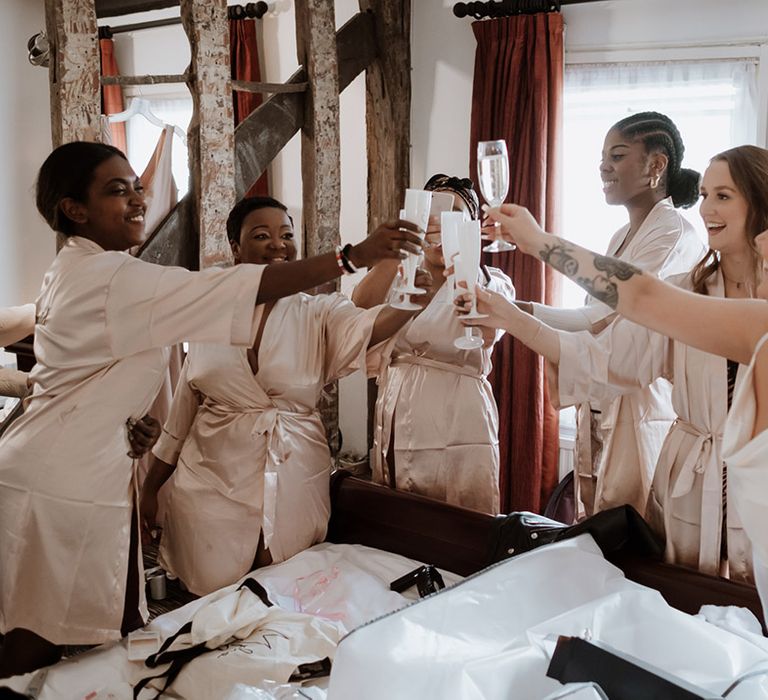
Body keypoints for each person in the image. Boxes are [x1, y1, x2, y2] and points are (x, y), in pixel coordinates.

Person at [0, 141, 423, 677]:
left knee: (86, 631)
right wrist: (348, 257)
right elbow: (217, 315)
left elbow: (86, 374)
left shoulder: (87, 273)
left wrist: (128, 422)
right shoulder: (113, 278)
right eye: (116, 190)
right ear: (73, 209)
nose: (137, 199)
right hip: (65, 480)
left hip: (83, 466)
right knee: (41, 640)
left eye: (136, 187)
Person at [459, 144, 768, 583]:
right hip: (691, 483)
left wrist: (539, 242)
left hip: (757, 490)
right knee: (684, 608)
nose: (705, 210)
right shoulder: (688, 291)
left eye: (723, 196)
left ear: (760, 201)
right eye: (703, 195)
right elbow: (606, 356)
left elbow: (640, 294)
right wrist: (514, 318)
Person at [139, 196, 430, 596]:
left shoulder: (319, 313)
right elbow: (180, 416)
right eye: (262, 235)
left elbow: (369, 326)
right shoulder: (209, 314)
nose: (279, 244)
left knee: (286, 598)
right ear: (236, 248)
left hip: (294, 474)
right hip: (210, 484)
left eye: (287, 235)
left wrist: (416, 299)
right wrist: (151, 488)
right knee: (207, 596)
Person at [518, 112, 705, 519]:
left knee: (630, 527)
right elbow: (595, 316)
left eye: (617, 156)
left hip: (639, 400)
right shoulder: (620, 237)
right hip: (602, 398)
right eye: (603, 156)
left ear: (657, 166)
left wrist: (520, 314)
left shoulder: (673, 234)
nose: (603, 166)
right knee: (595, 521)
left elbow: (615, 313)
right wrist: (520, 310)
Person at [354, 174, 515, 513]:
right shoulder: (399, 278)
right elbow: (359, 308)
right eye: (433, 215)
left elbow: (486, 333)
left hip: (459, 411)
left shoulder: (490, 284)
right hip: (397, 404)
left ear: (473, 225)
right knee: (401, 518)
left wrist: (462, 264)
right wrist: (398, 252)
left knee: (460, 516)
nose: (442, 225)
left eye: (455, 215)